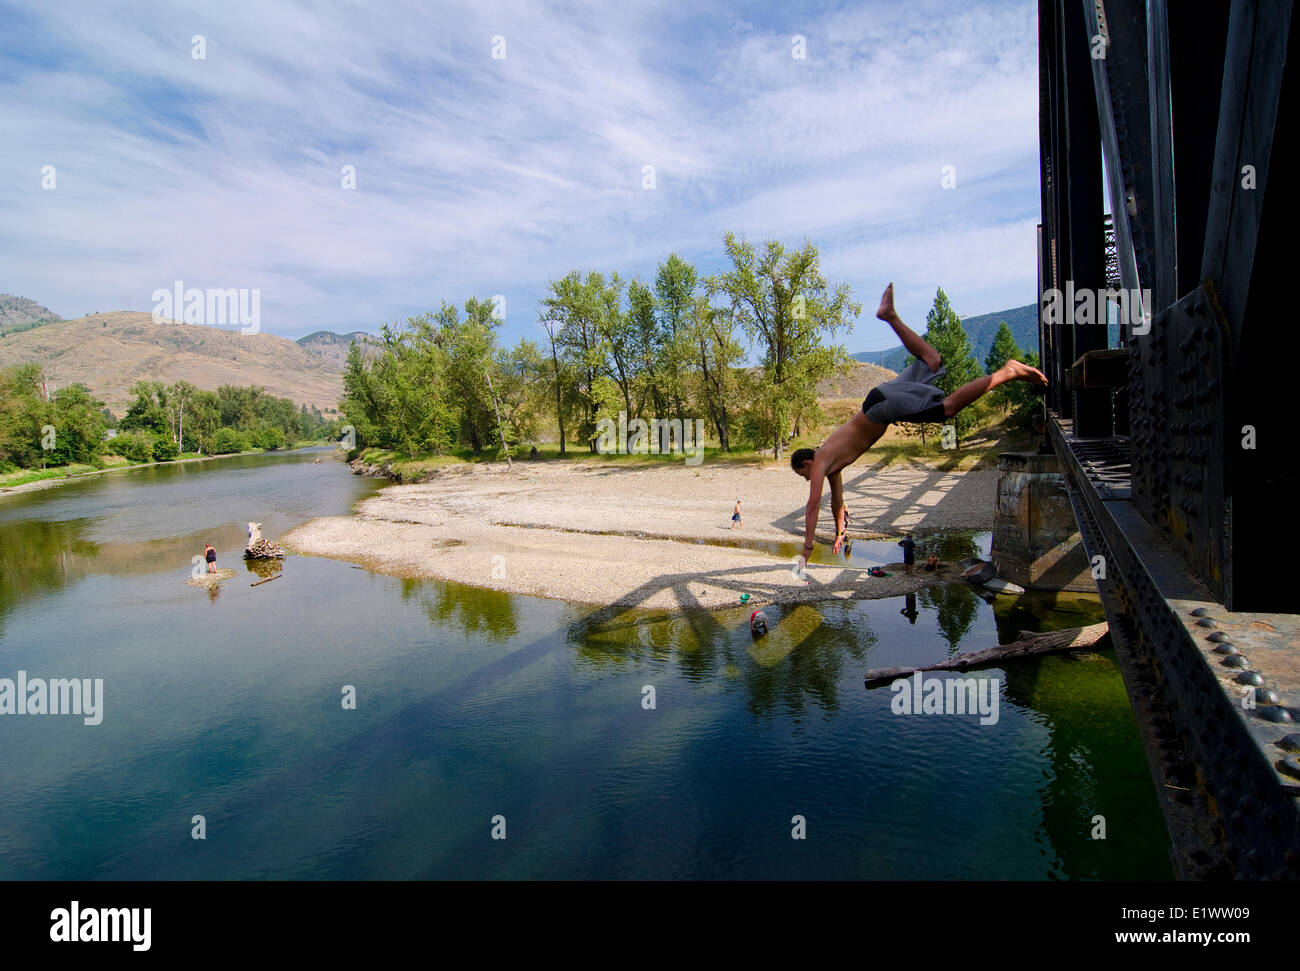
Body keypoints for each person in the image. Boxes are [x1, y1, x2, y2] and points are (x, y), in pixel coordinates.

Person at [792, 283, 1047, 569]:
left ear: (806, 461)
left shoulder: (820, 462)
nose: (807, 479)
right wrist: (840, 533)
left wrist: (807, 549)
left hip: (882, 409)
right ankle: (889, 316)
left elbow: (813, 505)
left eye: (803, 474)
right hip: (878, 400)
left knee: (948, 408)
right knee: (932, 360)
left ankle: (1007, 371)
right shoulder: (830, 464)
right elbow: (836, 502)